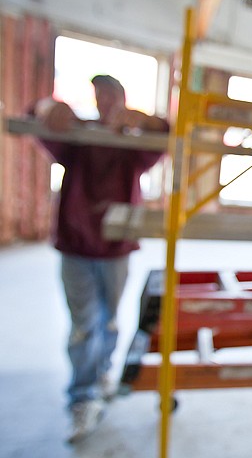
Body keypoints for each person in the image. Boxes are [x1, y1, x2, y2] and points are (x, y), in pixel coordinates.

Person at [32, 75, 168, 443]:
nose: (105, 103)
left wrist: (146, 121)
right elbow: (39, 121)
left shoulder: (130, 144)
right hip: (77, 245)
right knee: (83, 326)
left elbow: (166, 135)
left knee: (107, 321)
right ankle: (81, 398)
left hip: (115, 249)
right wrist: (47, 108)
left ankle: (102, 372)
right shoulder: (79, 137)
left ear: (122, 100)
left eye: (112, 96)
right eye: (100, 96)